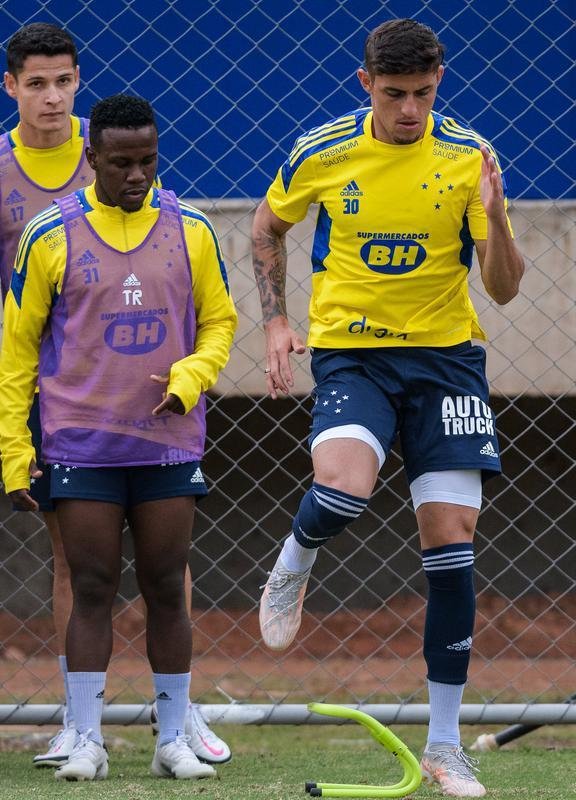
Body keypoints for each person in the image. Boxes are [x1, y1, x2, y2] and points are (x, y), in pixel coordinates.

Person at [252, 18, 524, 799]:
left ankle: (445, 747)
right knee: (340, 488)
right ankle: (296, 557)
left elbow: (503, 287)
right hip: (354, 355)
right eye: (397, 94)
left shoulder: (469, 156)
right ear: (365, 83)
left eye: (425, 95)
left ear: (440, 84)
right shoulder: (323, 150)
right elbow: (267, 227)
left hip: (446, 364)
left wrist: (497, 218)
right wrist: (275, 320)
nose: (411, 110)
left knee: (452, 545)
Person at [1, 23, 232, 770]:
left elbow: (220, 319)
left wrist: (192, 376)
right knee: (85, 575)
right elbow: (16, 342)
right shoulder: (48, 228)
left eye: (149, 162)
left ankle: (174, 728)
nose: (137, 175)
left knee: (167, 578)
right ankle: (83, 730)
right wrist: (14, 448)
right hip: (71, 414)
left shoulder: (187, 227)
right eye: (35, 82)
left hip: (161, 430)